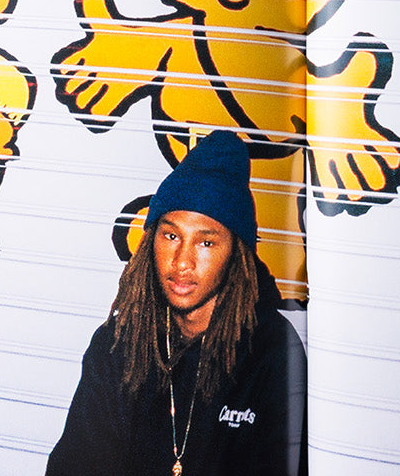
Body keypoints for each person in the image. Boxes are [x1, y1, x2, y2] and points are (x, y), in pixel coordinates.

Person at [46, 130, 306, 476]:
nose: (182, 261)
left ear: (236, 253)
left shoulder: (272, 352)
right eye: (171, 236)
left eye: (206, 243)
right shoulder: (118, 344)